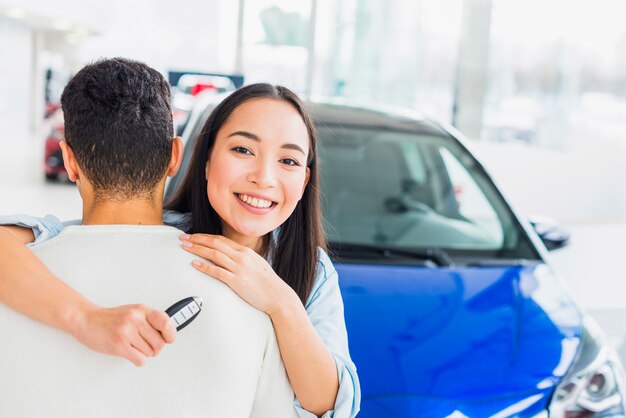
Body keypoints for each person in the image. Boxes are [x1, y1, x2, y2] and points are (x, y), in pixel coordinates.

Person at [0, 74, 361, 416]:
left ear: (304, 179)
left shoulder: (311, 271)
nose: (263, 178)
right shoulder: (155, 229)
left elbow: (330, 406)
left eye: (288, 161)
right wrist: (84, 318)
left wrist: (280, 301)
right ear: (205, 160)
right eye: (243, 149)